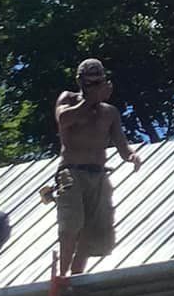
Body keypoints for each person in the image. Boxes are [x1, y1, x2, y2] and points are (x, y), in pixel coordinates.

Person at [39, 58, 141, 274]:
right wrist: (91, 100)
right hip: (71, 172)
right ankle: (62, 275)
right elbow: (64, 120)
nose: (94, 88)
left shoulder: (110, 112)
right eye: (90, 83)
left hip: (98, 176)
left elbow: (122, 145)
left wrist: (132, 156)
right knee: (70, 227)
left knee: (95, 232)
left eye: (99, 83)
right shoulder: (68, 99)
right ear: (80, 81)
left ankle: (75, 277)